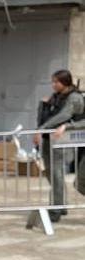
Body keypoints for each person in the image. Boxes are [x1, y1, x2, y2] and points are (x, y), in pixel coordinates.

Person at [37, 70, 84, 222]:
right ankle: (60, 204)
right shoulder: (56, 97)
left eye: (56, 82)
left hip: (64, 140)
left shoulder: (74, 97)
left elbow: (64, 115)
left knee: (57, 173)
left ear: (65, 82)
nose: (53, 85)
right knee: (51, 172)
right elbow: (45, 117)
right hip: (50, 138)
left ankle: (56, 208)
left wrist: (43, 128)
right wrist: (43, 105)